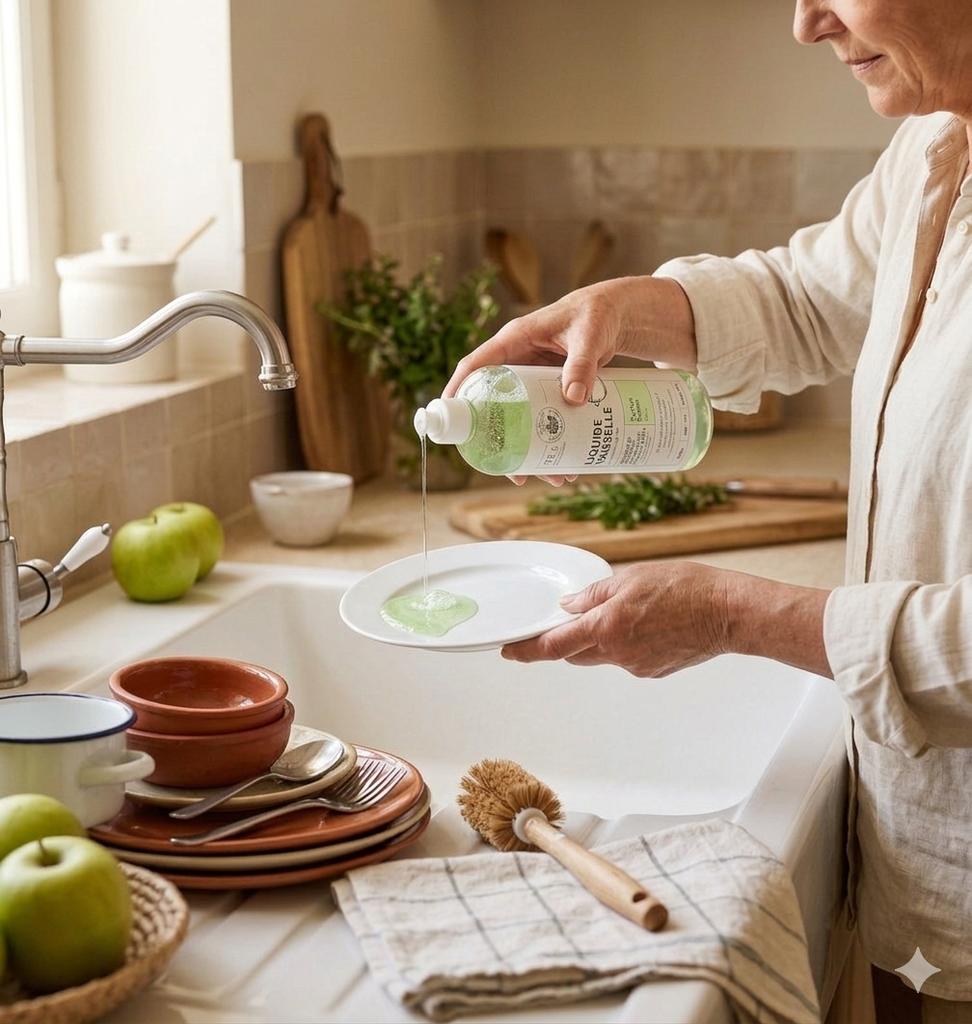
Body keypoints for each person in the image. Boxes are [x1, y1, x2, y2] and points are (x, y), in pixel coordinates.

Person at [444, 1, 972, 1021]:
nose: (805, 22)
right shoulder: (938, 143)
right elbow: (816, 298)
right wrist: (626, 310)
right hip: (927, 872)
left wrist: (739, 615)